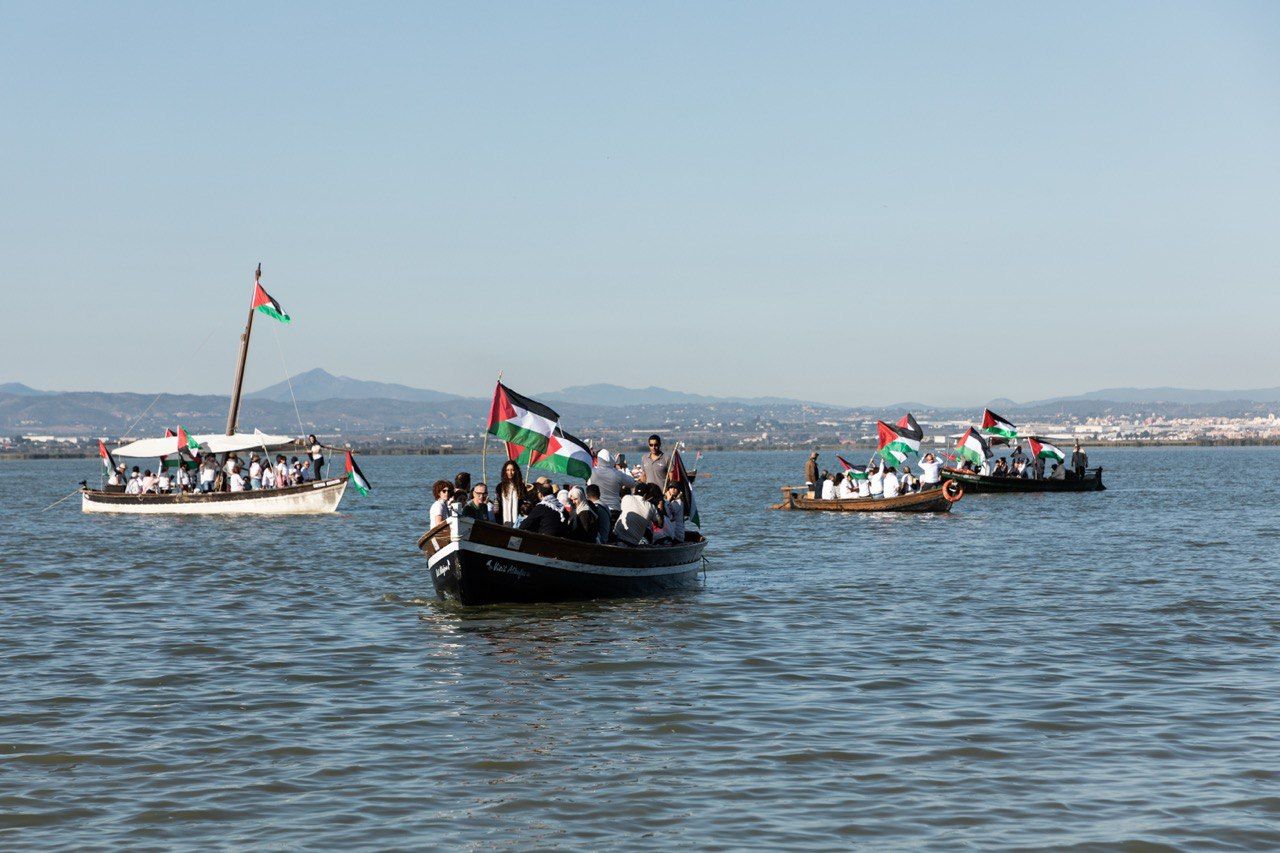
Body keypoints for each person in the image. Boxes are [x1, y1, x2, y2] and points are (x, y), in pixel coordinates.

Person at [588, 449, 636, 517]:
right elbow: (632, 483)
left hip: (598, 509)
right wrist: (626, 468)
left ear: (598, 459)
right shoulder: (617, 474)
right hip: (614, 510)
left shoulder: (592, 472)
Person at [495, 460, 528, 526]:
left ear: (516, 471)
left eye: (512, 470)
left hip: (518, 520)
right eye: (507, 470)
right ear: (505, 471)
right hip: (503, 520)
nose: (510, 472)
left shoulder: (521, 486)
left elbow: (524, 503)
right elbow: (497, 503)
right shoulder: (500, 486)